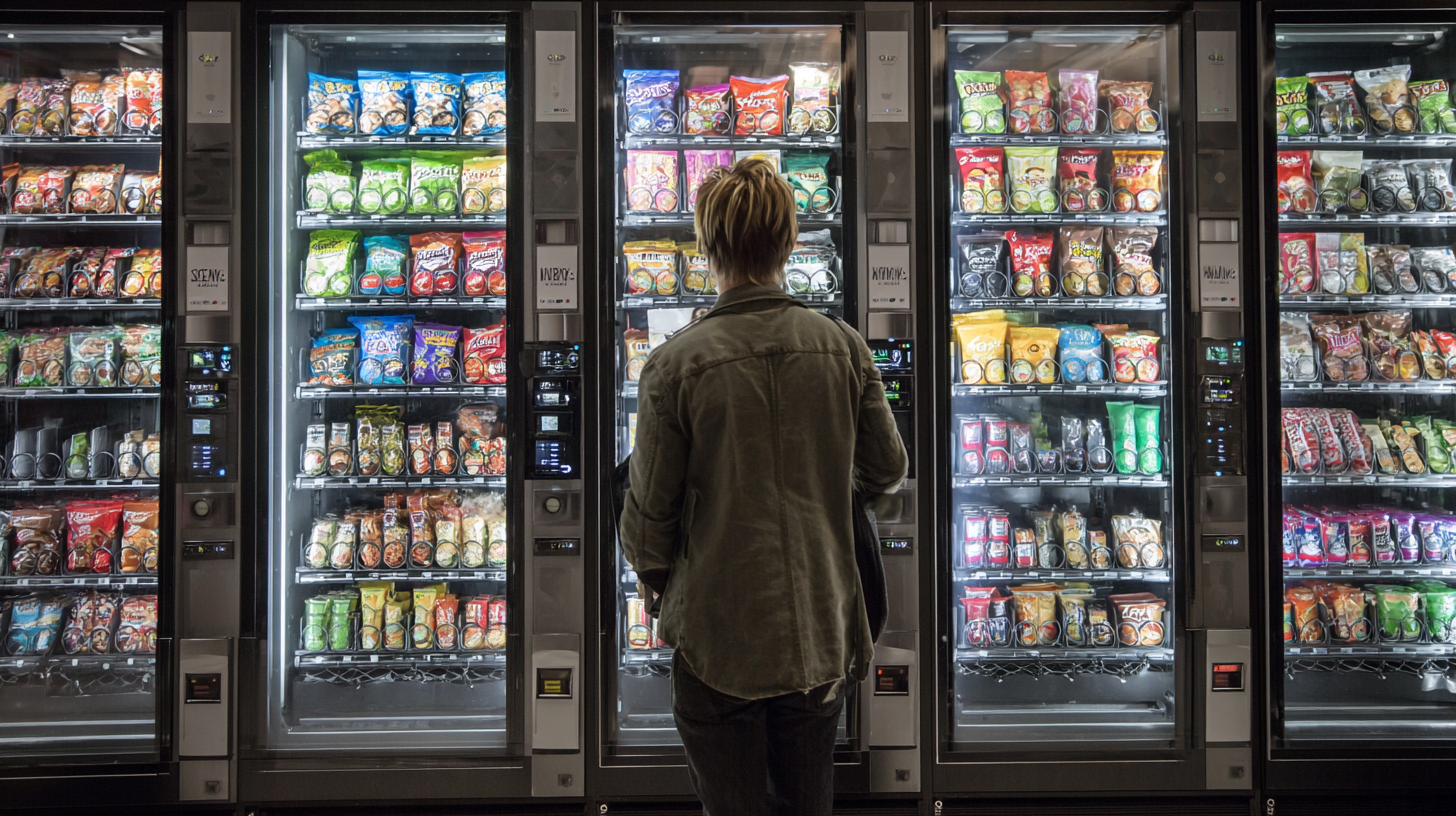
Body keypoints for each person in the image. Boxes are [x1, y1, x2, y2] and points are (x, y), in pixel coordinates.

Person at [619, 157, 908, 816]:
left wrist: (657, 570)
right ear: (788, 242)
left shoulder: (673, 365)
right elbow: (888, 468)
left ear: (706, 245)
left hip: (719, 635)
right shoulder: (844, 347)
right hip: (821, 625)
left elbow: (648, 521)